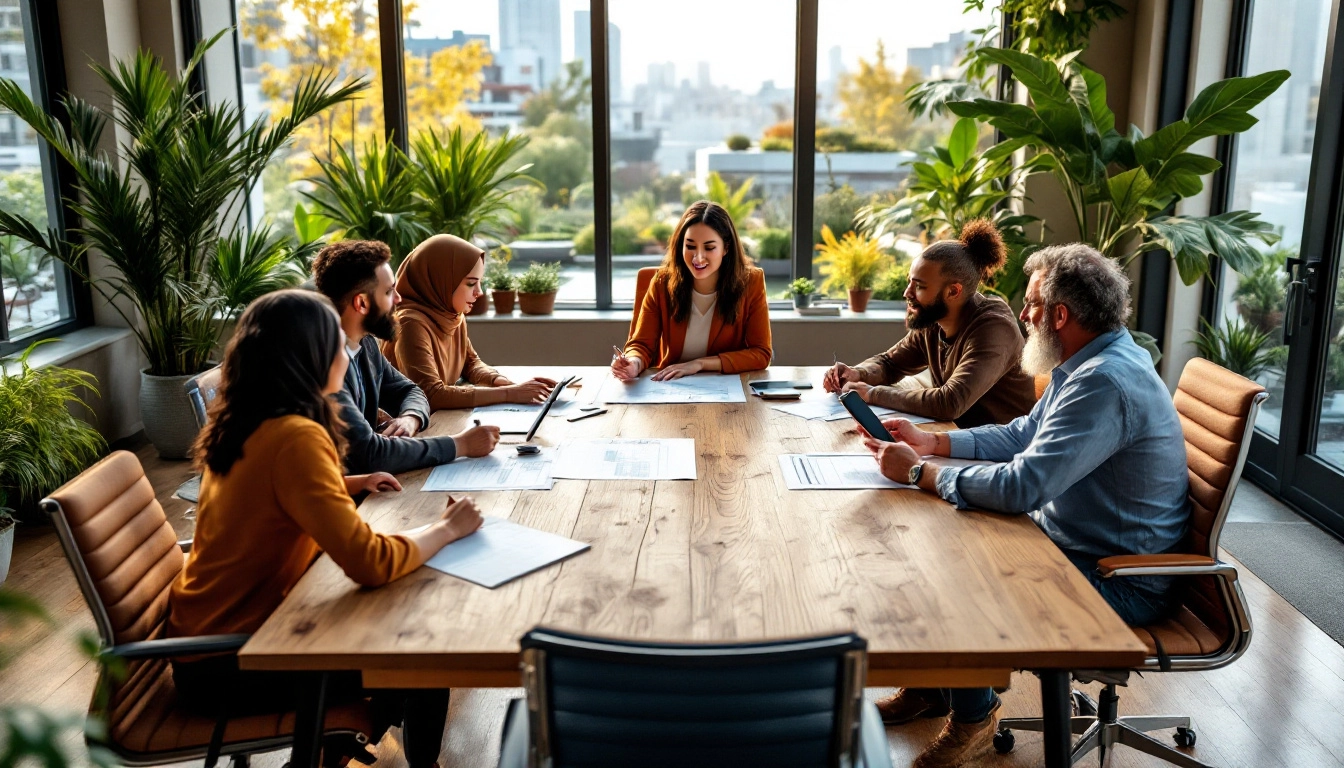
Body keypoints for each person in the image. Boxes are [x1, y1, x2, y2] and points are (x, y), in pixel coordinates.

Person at [860, 244, 1189, 768]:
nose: (1023, 314)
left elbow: (1022, 487)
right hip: (1075, 544)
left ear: (1061, 315)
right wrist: (934, 444)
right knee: (941, 542)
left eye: (1032, 303)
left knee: (964, 574)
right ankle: (936, 688)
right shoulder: (1091, 360)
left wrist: (920, 473)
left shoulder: (1103, 382)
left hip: (1116, 578)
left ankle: (975, 718)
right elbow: (1023, 434)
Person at [167, 289, 484, 768]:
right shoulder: (297, 436)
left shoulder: (251, 417)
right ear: (309, 358)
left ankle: (326, 750)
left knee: (394, 627)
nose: (347, 352)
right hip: (238, 660)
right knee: (422, 655)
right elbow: (371, 564)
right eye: (337, 343)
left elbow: (269, 488)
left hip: (208, 644)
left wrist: (349, 480)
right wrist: (446, 528)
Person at [311, 239, 499, 474]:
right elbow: (370, 455)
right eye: (390, 291)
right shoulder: (325, 364)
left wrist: (411, 418)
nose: (399, 299)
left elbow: (411, 390)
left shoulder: (365, 343)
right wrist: (460, 444)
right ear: (361, 303)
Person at [823, 219, 1035, 428]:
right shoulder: (934, 319)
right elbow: (890, 363)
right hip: (953, 438)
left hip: (1002, 453)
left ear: (953, 291)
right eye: (910, 282)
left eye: (919, 286)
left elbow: (950, 402)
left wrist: (871, 393)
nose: (907, 293)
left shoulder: (995, 329)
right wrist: (857, 373)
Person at [383, 234, 556, 409]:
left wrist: (504, 382)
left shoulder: (451, 315)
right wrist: (509, 393)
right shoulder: (409, 324)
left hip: (439, 420)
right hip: (407, 427)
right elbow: (430, 394)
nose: (479, 292)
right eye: (471, 284)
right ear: (443, 280)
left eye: (479, 282)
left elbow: (470, 363)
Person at [612, 200, 772, 381]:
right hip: (671, 387)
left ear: (726, 248)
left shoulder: (751, 283)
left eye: (710, 247)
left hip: (724, 390)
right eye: (690, 246)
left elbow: (761, 354)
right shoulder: (662, 283)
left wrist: (700, 364)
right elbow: (641, 345)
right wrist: (633, 363)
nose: (698, 257)